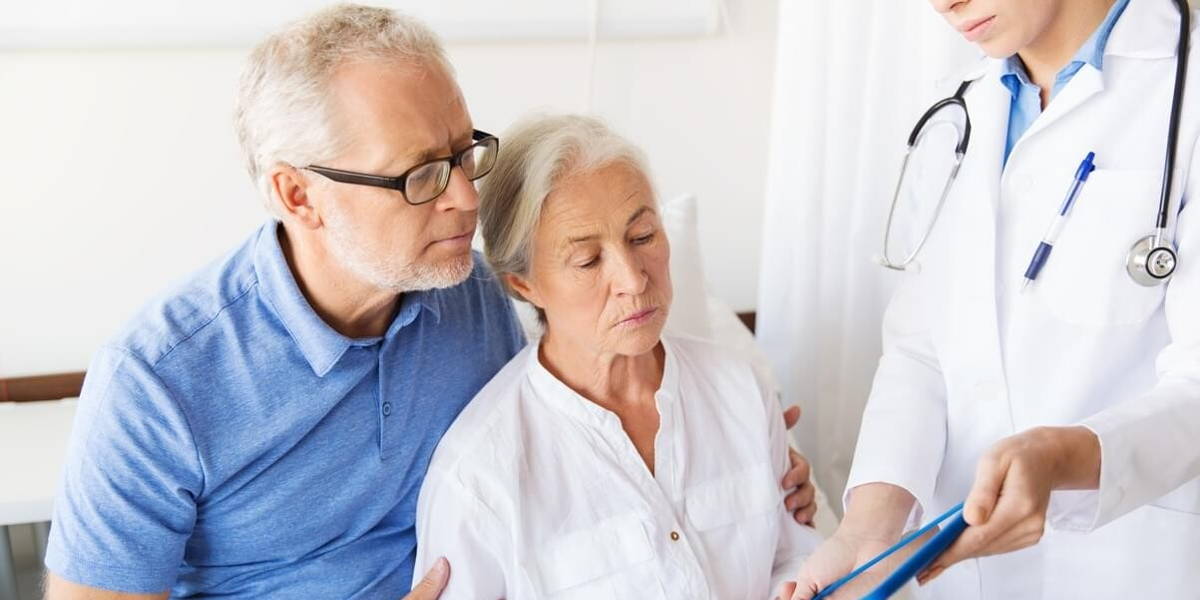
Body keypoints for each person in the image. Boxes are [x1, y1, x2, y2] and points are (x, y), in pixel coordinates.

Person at [42, 6, 818, 599]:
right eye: (419, 174)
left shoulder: (469, 293)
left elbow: (566, 442)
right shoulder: (159, 384)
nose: (463, 200)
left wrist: (738, 471)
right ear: (298, 194)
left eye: (461, 154)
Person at [788, 0, 1200, 598]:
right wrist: (868, 536)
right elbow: (920, 351)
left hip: (1138, 563)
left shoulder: (1183, 95)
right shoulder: (960, 108)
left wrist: (1062, 457)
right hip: (966, 574)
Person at [412, 114, 823, 599]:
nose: (633, 278)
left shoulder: (741, 390)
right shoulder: (478, 477)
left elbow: (793, 556)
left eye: (643, 236)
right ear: (524, 284)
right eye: (588, 260)